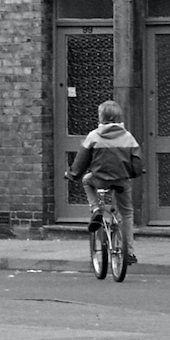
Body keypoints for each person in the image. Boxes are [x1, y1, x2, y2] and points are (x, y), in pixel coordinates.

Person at [65, 100, 143, 265]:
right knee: (127, 213)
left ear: (101, 117)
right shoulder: (128, 137)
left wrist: (72, 174)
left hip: (99, 180)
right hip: (121, 180)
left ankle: (96, 209)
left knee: (87, 180)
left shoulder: (94, 136)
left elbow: (81, 162)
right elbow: (137, 162)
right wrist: (134, 173)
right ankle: (128, 252)